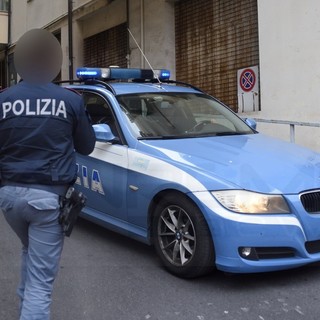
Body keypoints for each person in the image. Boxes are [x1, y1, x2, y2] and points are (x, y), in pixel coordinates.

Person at [0, 29, 96, 319]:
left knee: (30, 252)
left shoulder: (4, 100)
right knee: (41, 287)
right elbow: (87, 146)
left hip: (9, 198)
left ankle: (22, 308)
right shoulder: (70, 100)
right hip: (47, 199)